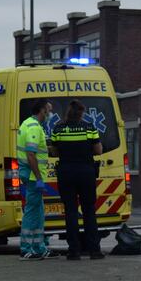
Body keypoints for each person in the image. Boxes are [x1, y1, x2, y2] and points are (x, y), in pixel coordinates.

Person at [50, 99, 105, 260]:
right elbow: (98, 150)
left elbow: (54, 152)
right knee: (89, 211)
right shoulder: (89, 128)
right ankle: (94, 250)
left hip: (66, 173)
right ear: (81, 113)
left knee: (71, 212)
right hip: (86, 173)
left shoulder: (58, 129)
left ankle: (74, 251)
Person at [18, 99, 56, 260]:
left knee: (38, 213)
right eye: (49, 110)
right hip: (34, 176)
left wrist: (49, 149)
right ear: (42, 110)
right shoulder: (34, 127)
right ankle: (26, 248)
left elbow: (35, 150)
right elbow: (31, 154)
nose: (50, 113)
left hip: (30, 174)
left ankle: (39, 248)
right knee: (32, 213)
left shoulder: (27, 124)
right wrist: (39, 178)